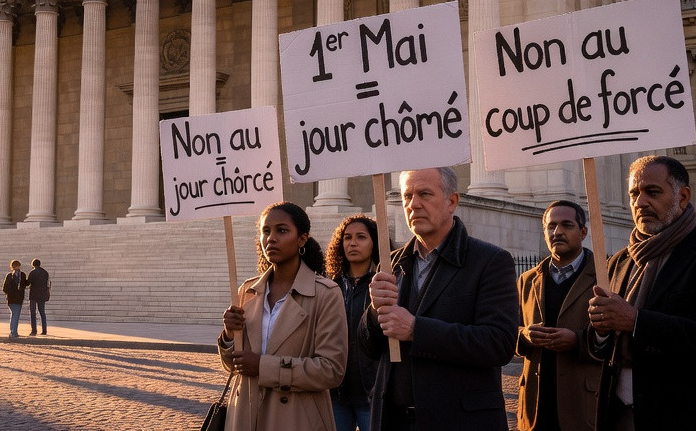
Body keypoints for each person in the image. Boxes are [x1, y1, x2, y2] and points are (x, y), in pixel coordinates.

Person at [587, 155, 696, 431]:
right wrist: (600, 328)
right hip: (620, 418)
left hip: (689, 420)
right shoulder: (619, 261)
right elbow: (601, 348)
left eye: (652, 192)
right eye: (634, 194)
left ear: (683, 197)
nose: (640, 202)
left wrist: (636, 321)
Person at [360, 166, 519, 431]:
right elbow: (368, 348)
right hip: (395, 420)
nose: (414, 204)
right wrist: (375, 315)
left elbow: (499, 343)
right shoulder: (391, 265)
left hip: (459, 421)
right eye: (407, 196)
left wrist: (415, 329)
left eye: (424, 194)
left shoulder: (489, 262)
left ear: (451, 201)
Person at [219, 201, 347, 430]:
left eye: (282, 230)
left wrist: (263, 366)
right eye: (265, 231)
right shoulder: (247, 291)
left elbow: (331, 370)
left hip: (297, 418)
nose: (271, 238)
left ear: (302, 239)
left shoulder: (326, 294)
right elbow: (235, 365)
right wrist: (229, 335)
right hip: (245, 416)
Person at [517, 200, 602, 431]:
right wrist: (525, 334)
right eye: (551, 226)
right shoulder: (527, 279)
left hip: (581, 404)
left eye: (566, 225)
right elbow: (510, 329)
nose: (557, 232)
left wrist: (577, 340)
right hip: (535, 403)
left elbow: (615, 338)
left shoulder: (604, 276)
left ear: (583, 232)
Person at [325, 215, 382, 431]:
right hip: (335, 391)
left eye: (361, 237)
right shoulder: (329, 286)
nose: (353, 243)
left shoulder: (383, 284)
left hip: (372, 393)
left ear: (374, 242)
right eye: (347, 237)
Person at [1, 260, 27, 338]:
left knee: (13, 315)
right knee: (15, 315)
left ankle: (12, 331)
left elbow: (4, 289)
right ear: (19, 266)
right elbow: (25, 285)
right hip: (18, 299)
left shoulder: (9, 275)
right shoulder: (22, 275)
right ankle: (14, 332)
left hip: (11, 299)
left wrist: (10, 292)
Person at [28, 258, 51, 336]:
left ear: (33, 264)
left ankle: (34, 330)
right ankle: (44, 330)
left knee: (33, 313)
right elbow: (48, 283)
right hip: (42, 295)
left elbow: (28, 283)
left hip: (33, 295)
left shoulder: (32, 272)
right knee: (42, 312)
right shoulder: (45, 272)